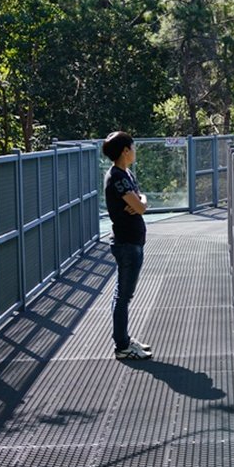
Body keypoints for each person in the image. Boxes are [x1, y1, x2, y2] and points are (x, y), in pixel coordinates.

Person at [101, 131, 153, 360]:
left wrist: (140, 201)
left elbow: (141, 200)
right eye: (132, 146)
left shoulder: (125, 173)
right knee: (123, 297)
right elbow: (140, 207)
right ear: (125, 150)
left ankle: (124, 340)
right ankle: (122, 346)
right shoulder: (117, 177)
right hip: (127, 243)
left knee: (122, 295)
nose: (135, 150)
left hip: (132, 241)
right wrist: (140, 203)